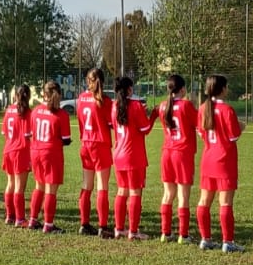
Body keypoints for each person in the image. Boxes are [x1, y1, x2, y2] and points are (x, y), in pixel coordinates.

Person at [196, 74, 244, 254]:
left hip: (208, 159)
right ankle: (228, 242)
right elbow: (233, 136)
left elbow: (201, 133)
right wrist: (241, 127)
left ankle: (205, 239)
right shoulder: (227, 110)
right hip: (224, 161)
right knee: (225, 202)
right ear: (223, 89)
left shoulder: (203, 108)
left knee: (204, 200)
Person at [152, 73, 198, 243]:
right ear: (183, 89)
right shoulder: (186, 105)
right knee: (183, 195)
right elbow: (199, 123)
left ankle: (165, 233)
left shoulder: (163, 106)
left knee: (168, 194)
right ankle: (183, 235)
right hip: (182, 153)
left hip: (167, 153)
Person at [74, 67, 115, 237]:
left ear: (88, 81)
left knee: (86, 185)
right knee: (102, 186)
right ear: (103, 81)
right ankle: (102, 226)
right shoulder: (105, 101)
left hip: (85, 144)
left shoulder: (81, 99)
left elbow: (80, 121)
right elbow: (112, 124)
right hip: (100, 145)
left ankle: (84, 224)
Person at [110, 75, 153, 240]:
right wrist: (151, 115)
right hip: (133, 155)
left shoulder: (114, 106)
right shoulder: (136, 105)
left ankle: (119, 229)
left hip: (118, 154)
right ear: (129, 89)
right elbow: (146, 129)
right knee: (135, 192)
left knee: (122, 191)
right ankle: (133, 232)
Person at [28, 80, 71, 233]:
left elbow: (32, 133)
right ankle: (48, 224)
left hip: (36, 152)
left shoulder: (35, 111)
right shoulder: (61, 114)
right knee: (51, 190)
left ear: (44, 94)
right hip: (51, 153)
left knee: (39, 186)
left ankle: (33, 219)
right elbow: (66, 140)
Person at [0, 83, 33, 227]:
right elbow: (29, 135)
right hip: (21, 151)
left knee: (10, 184)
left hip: (8, 150)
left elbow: (4, 132)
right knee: (19, 187)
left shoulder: (9, 110)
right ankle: (20, 219)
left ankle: (10, 216)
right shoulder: (27, 112)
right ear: (28, 96)